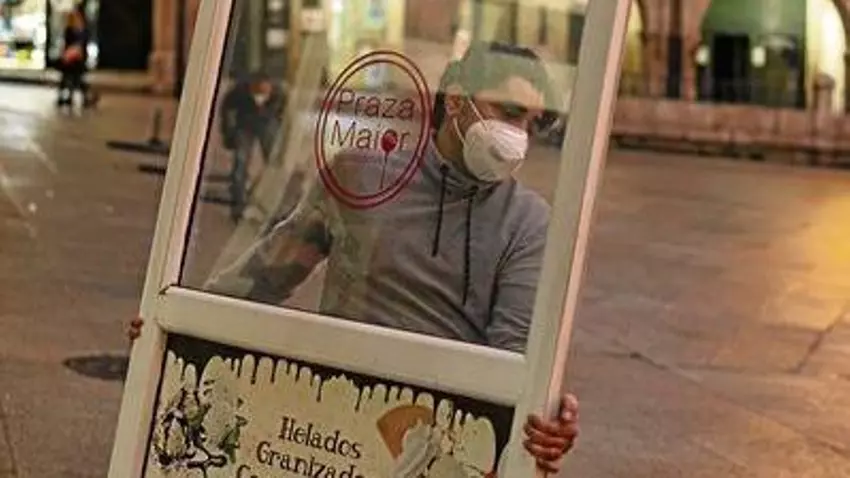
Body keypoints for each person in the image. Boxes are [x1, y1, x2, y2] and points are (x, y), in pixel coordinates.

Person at [131, 41, 578, 473]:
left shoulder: (529, 222)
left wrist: (542, 417)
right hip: (333, 429)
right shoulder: (362, 176)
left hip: (441, 442)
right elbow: (265, 274)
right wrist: (172, 325)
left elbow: (515, 355)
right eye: (510, 113)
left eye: (533, 123)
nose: (520, 137)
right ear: (458, 100)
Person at [219, 71, 287, 221]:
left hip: (267, 124)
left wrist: (281, 140)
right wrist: (228, 132)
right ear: (251, 86)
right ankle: (238, 204)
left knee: (274, 163)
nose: (261, 96)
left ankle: (271, 204)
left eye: (265, 92)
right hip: (245, 124)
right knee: (240, 163)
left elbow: (284, 116)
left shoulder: (279, 94)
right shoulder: (239, 91)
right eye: (258, 92)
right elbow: (226, 109)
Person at [56, 7, 98, 109]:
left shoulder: (80, 30)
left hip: (77, 59)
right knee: (74, 79)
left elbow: (82, 44)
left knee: (74, 79)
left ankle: (69, 98)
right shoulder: (71, 30)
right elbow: (68, 44)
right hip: (72, 59)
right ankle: (77, 98)